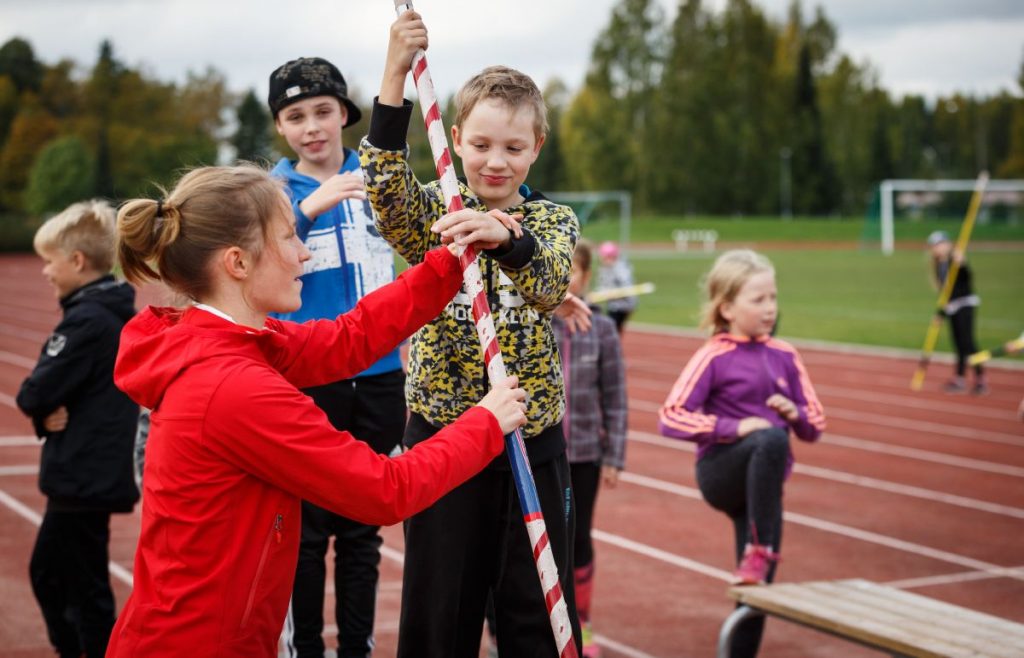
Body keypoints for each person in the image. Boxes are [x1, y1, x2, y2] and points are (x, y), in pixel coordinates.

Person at [105, 164, 528, 657]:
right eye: (288, 238)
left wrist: (449, 262)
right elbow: (385, 491)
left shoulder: (227, 342)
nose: (303, 252)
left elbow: (347, 340)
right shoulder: (235, 385)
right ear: (238, 262)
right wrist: (485, 423)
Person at [358, 11, 582, 658]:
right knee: (439, 612)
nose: (495, 162)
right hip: (445, 438)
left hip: (531, 436)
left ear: (537, 147)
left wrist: (507, 236)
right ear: (455, 138)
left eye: (514, 148)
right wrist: (395, 74)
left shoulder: (553, 220)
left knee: (537, 610)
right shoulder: (436, 209)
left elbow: (548, 280)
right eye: (481, 145)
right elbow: (386, 193)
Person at [266, 56, 405, 658]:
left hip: (379, 380)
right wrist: (306, 208)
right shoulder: (269, 193)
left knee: (361, 532)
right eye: (295, 116)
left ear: (345, 114)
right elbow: (251, 260)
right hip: (308, 382)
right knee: (304, 534)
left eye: (323, 111)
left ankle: (357, 648)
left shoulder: (382, 180)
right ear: (281, 128)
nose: (312, 126)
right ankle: (306, 652)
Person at [657, 249, 825, 658]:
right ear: (727, 308)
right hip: (722, 473)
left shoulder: (785, 355)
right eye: (758, 300)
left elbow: (815, 425)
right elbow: (671, 416)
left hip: (764, 491)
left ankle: (742, 641)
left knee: (758, 589)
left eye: (773, 298)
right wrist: (735, 427)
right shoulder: (714, 354)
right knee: (769, 437)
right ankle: (759, 549)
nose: (770, 308)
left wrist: (794, 413)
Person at [15, 200, 140, 658]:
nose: (45, 271)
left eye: (49, 261)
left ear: (77, 262)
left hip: (83, 475)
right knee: (69, 578)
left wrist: (42, 408)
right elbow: (45, 399)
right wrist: (45, 411)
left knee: (66, 581)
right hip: (91, 470)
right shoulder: (106, 310)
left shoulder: (87, 320)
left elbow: (33, 393)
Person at [554, 240, 627, 658]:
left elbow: (615, 396)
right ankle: (507, 628)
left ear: (586, 276)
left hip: (583, 453)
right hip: (536, 453)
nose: (565, 278)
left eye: (573, 270)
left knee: (578, 539)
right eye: (557, 268)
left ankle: (581, 622)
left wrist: (614, 456)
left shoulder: (602, 330)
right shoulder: (532, 323)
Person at [927, 230, 987, 394]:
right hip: (951, 307)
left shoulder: (956, 261)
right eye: (934, 245)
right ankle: (959, 378)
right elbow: (945, 293)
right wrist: (940, 313)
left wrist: (963, 265)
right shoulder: (939, 265)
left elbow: (966, 279)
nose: (937, 248)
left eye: (939, 244)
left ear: (947, 244)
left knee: (969, 343)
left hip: (965, 305)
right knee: (958, 344)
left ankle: (980, 379)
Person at [595, 240, 636, 334]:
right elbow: (603, 285)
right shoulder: (604, 269)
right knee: (611, 331)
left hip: (622, 306)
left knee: (612, 331)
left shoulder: (621, 270)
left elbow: (628, 287)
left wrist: (631, 305)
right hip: (612, 305)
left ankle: (613, 347)